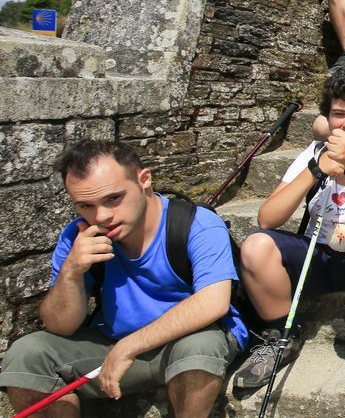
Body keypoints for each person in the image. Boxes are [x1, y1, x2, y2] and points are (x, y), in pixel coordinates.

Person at [0, 141, 245, 417]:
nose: (101, 216)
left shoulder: (196, 225)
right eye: (85, 205)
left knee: (201, 345)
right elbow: (60, 326)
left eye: (113, 199)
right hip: (111, 342)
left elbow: (213, 302)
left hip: (184, 343)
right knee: (27, 353)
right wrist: (71, 272)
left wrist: (128, 347)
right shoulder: (79, 237)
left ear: (144, 180)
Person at [234, 64, 345, 390]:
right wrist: (315, 170)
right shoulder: (313, 153)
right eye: (339, 114)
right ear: (327, 117)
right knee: (256, 245)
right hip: (320, 252)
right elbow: (267, 219)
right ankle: (279, 335)